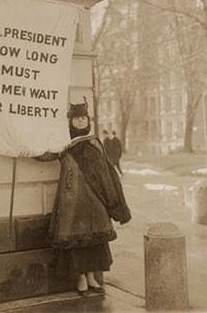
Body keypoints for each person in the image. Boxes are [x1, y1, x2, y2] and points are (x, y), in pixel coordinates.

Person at [37, 99, 131, 296]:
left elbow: (107, 172)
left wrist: (114, 201)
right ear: (70, 122)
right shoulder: (63, 143)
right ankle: (80, 277)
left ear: (87, 120)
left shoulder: (95, 142)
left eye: (83, 118)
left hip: (95, 200)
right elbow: (45, 155)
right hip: (72, 201)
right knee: (75, 240)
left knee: (95, 240)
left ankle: (91, 276)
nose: (80, 122)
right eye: (76, 119)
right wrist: (24, 146)